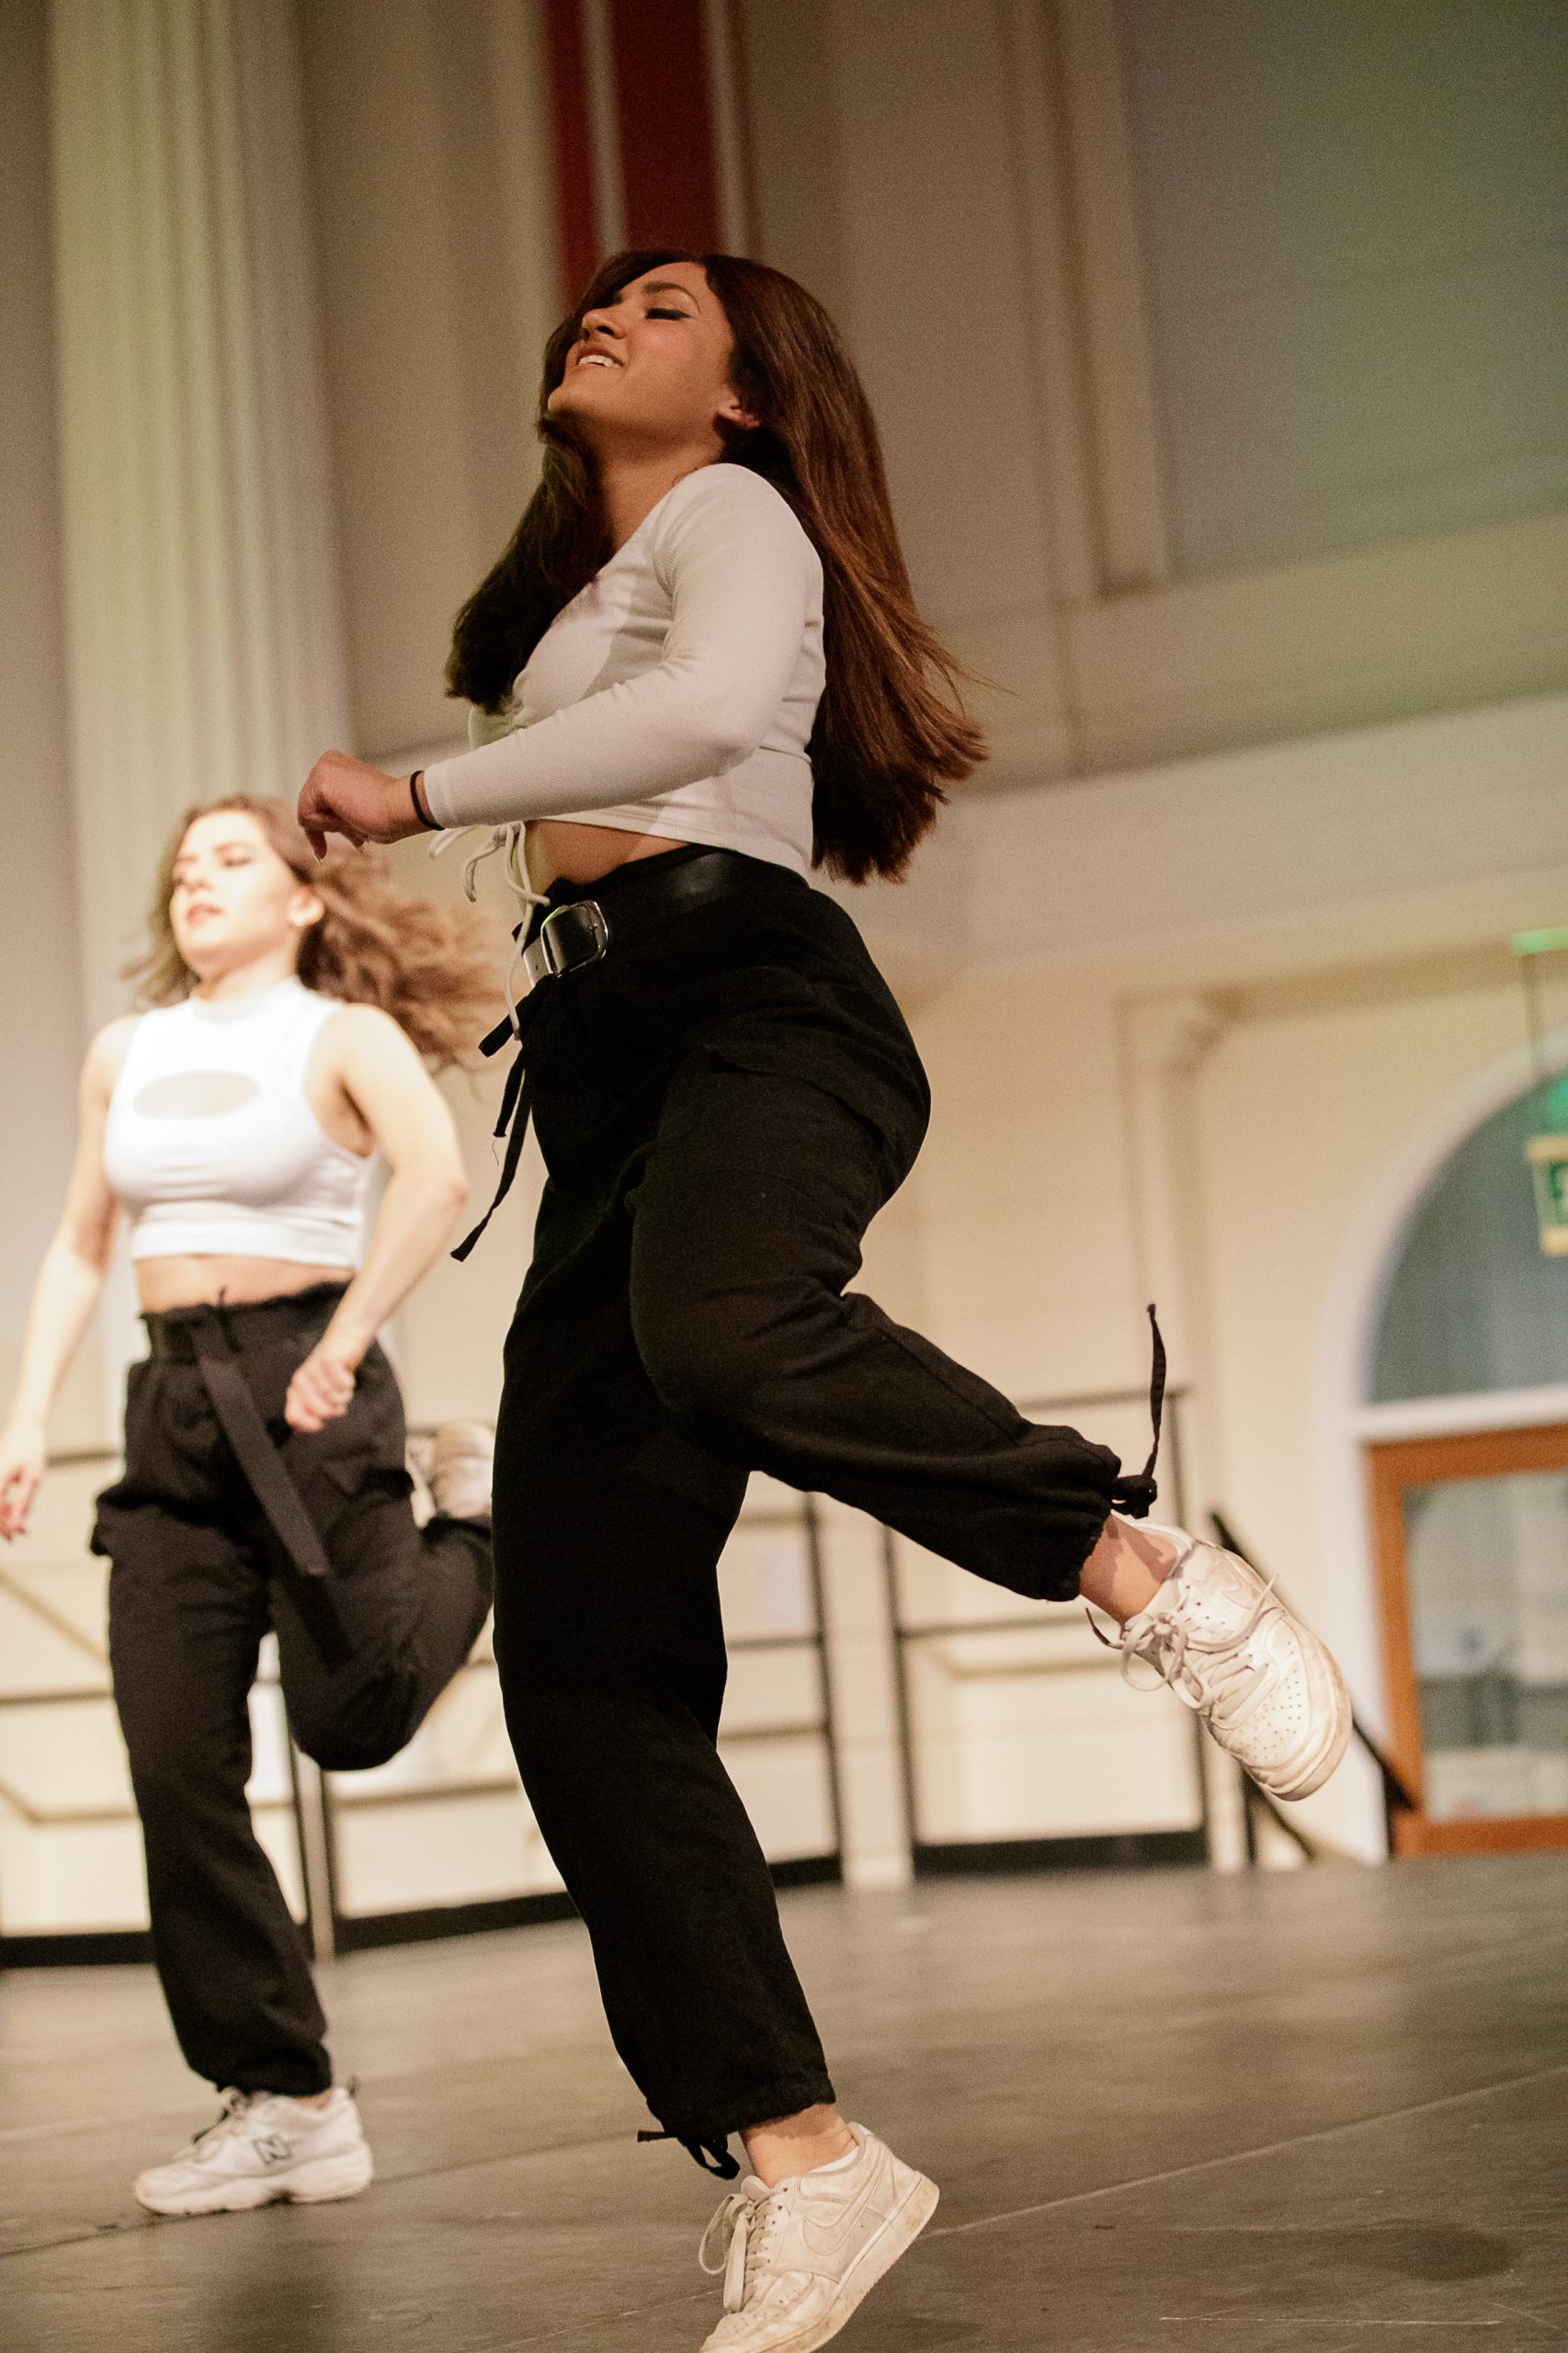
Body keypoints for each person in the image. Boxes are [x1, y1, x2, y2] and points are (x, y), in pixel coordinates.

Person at [297, 249, 1353, 2351]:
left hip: (756, 1004)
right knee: (581, 1658)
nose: (608, 315)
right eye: (600, 300)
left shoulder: (736, 510)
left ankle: (1138, 1561)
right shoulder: (581, 596)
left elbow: (698, 721)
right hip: (602, 1060)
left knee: (728, 1328)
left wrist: (407, 790)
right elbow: (600, 750)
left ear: (750, 392)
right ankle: (803, 2156)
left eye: (665, 306)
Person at [0, 795, 500, 2219]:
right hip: (172, 1406)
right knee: (174, 1760)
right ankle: (288, 2099)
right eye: (182, 868)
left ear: (302, 897)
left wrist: (350, 1337)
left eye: (230, 860)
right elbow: (82, 1244)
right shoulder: (128, 1051)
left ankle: (476, 1529)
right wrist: (26, 1416)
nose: (197, 882)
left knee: (353, 1722)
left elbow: (436, 1178)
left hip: (311, 1386)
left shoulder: (341, 1036)